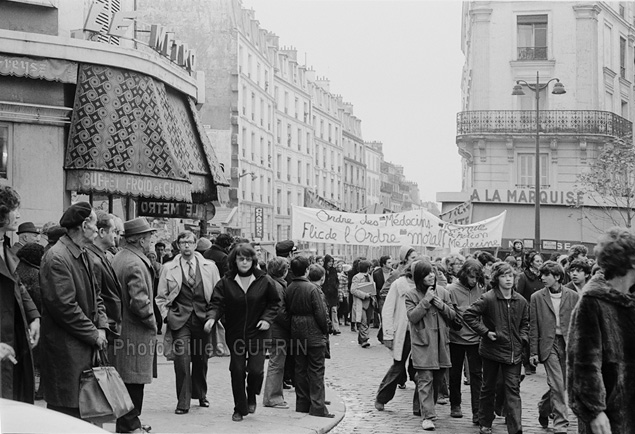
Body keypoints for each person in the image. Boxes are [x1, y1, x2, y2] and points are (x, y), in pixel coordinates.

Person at [40, 202, 108, 417]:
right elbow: (65, 307)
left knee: (85, 412)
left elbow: (97, 295)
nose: (97, 229)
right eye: (95, 224)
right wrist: (94, 333)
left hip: (82, 347)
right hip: (66, 351)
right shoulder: (57, 257)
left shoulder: (82, 252)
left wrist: (102, 326)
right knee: (67, 412)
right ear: (84, 225)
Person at [568, 227, 635, 434]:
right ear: (630, 261)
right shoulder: (593, 301)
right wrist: (595, 411)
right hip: (611, 415)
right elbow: (583, 364)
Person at [204, 243, 280, 422]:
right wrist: (211, 318)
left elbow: (275, 303)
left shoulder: (264, 280)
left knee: (256, 371)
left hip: (258, 333)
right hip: (236, 332)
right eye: (241, 259)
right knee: (237, 370)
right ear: (234, 260)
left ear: (253, 261)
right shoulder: (226, 281)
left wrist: (267, 319)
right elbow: (217, 303)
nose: (244, 262)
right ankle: (239, 407)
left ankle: (252, 394)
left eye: (248, 259)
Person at [156, 231, 220, 414]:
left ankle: (200, 394)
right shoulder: (169, 268)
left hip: (202, 319)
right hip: (179, 319)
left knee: (201, 359)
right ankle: (183, 401)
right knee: (182, 359)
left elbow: (217, 295)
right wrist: (166, 315)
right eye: (183, 242)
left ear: (195, 245)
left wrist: (213, 316)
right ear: (178, 245)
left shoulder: (210, 267)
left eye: (190, 242)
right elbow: (160, 296)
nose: (186, 246)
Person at [464, 262, 529, 434]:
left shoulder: (520, 300)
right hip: (491, 351)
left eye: (510, 275)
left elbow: (526, 323)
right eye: (503, 276)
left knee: (513, 390)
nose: (508, 279)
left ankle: (516, 429)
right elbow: (468, 315)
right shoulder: (489, 298)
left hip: (513, 352)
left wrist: (522, 338)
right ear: (496, 278)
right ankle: (485, 422)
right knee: (488, 387)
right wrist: (485, 332)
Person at [112, 217, 158, 433]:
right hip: (134, 331)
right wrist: (152, 322)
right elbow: (139, 302)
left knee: (127, 378)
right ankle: (130, 425)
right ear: (140, 240)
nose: (150, 241)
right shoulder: (135, 263)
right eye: (148, 237)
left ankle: (131, 423)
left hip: (123, 329)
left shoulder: (121, 257)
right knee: (133, 380)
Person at [404, 260, 456, 431]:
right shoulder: (411, 295)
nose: (431, 276)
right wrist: (426, 301)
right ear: (419, 277)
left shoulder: (443, 291)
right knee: (425, 379)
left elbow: (453, 316)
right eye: (427, 274)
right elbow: (412, 317)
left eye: (432, 272)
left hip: (441, 343)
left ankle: (424, 408)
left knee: (438, 380)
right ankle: (428, 416)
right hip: (423, 344)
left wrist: (441, 306)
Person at [0, 187, 40, 404]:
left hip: (11, 344)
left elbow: (18, 285)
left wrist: (34, 317)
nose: (19, 214)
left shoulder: (5, 248)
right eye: (15, 209)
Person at [530, 261, 580, 434]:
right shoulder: (537, 297)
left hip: (568, 345)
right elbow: (534, 325)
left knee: (562, 385)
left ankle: (544, 407)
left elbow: (579, 324)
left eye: (546, 275)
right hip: (548, 345)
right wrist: (533, 352)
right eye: (541, 275)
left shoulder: (573, 296)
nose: (542, 278)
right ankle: (561, 424)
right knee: (557, 384)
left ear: (557, 277)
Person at [284, 256, 333, 418]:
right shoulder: (312, 289)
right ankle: (318, 407)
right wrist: (326, 329)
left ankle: (302, 404)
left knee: (300, 370)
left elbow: (285, 311)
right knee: (316, 370)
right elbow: (320, 313)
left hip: (296, 332)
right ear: (306, 270)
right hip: (313, 334)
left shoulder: (289, 287)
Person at [375, 262, 418, 414]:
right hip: (403, 332)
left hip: (420, 333)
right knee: (398, 367)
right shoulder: (398, 285)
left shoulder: (426, 286)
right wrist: (388, 333)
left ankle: (419, 405)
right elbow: (387, 309)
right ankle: (382, 397)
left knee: (421, 370)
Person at [447, 259, 485, 424]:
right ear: (463, 275)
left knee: (477, 375)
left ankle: (477, 411)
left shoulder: (481, 289)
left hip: (476, 339)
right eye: (471, 277)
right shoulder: (451, 289)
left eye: (476, 277)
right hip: (456, 339)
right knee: (454, 373)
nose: (473, 280)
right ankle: (455, 404)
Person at [85, 211, 123, 361]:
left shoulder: (102, 256)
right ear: (101, 232)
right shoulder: (93, 259)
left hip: (107, 329)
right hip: (102, 331)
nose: (116, 236)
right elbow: (96, 297)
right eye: (114, 231)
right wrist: (102, 328)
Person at [262, 256, 290, 409]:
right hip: (277, 330)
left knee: (276, 363)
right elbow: (279, 311)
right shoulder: (277, 286)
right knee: (276, 364)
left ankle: (273, 396)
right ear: (283, 271)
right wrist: (290, 323)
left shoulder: (270, 282)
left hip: (273, 329)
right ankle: (273, 397)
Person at [516, 250, 544, 375]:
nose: (540, 263)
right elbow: (519, 295)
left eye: (541, 261)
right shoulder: (523, 276)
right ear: (531, 263)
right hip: (527, 310)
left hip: (541, 309)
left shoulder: (542, 276)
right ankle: (527, 364)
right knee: (528, 337)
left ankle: (536, 360)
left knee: (538, 335)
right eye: (537, 261)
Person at [350, 259, 375, 348]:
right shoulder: (357, 277)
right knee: (363, 320)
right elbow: (353, 290)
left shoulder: (369, 276)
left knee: (367, 321)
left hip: (369, 302)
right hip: (361, 302)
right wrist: (364, 295)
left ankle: (361, 338)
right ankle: (364, 339)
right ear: (367, 268)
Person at [321, 254, 340, 336]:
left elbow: (336, 280)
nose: (331, 263)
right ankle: (328, 327)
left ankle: (336, 328)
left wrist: (336, 288)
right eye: (329, 262)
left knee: (334, 310)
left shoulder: (333, 270)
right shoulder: (322, 270)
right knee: (326, 310)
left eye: (332, 262)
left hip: (333, 293)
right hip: (325, 292)